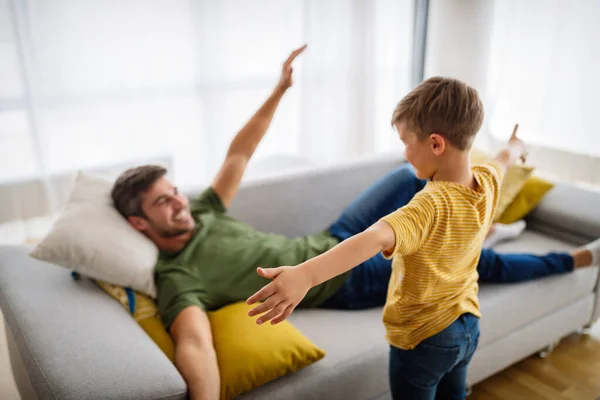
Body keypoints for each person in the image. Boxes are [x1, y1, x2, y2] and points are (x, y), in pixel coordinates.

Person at [110, 47, 600, 400]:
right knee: (477, 258)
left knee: (400, 179)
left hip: (331, 238)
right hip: (345, 279)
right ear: (138, 222)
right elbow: (195, 344)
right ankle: (567, 257)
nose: (179, 201)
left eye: (174, 190)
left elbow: (240, 152)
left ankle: (471, 228)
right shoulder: (176, 278)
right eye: (163, 203)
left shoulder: (203, 210)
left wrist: (279, 90)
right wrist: (303, 277)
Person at [246, 77, 598, 399]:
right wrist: (516, 146)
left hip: (423, 340)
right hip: (468, 326)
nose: (403, 153)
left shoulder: (429, 205)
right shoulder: (487, 179)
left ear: (435, 144)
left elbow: (373, 237)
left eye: (405, 142)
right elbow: (505, 158)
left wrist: (307, 275)